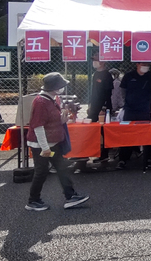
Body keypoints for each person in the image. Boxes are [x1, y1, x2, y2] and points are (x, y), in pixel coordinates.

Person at [25, 72, 89, 211]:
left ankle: (70, 196)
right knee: (42, 172)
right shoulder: (41, 102)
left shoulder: (52, 99)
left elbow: (53, 122)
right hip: (43, 146)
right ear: (55, 87)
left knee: (61, 168)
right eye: (61, 86)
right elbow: (38, 126)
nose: (63, 88)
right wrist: (45, 148)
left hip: (51, 145)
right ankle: (33, 200)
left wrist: (64, 117)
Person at [117, 62, 151, 170]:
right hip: (130, 110)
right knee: (127, 134)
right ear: (137, 64)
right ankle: (123, 159)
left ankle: (149, 158)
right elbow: (122, 90)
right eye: (143, 64)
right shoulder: (129, 76)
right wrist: (125, 102)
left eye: (147, 64)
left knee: (147, 134)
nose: (146, 66)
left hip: (145, 110)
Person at [87, 53, 113, 122]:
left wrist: (104, 107)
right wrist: (90, 104)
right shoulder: (95, 74)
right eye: (93, 60)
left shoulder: (107, 75)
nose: (94, 62)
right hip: (94, 105)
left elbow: (108, 92)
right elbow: (94, 90)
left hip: (103, 107)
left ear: (103, 62)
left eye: (96, 60)